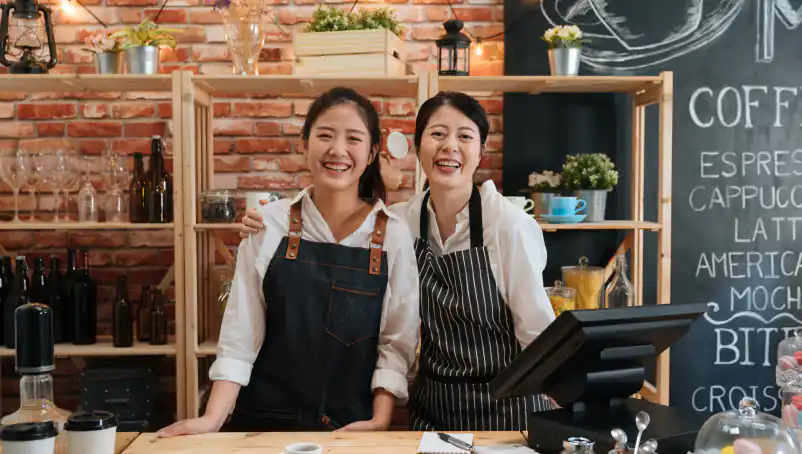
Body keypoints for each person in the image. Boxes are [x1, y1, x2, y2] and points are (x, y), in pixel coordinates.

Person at [238, 91, 556, 431]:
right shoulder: (402, 222)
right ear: (418, 148)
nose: (450, 146)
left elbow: (536, 330)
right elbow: (336, 221)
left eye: (464, 136)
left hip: (507, 410)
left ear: (480, 153)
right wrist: (266, 223)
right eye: (437, 134)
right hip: (436, 408)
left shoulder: (509, 226)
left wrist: (571, 404)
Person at [158, 87, 420, 436]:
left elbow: (396, 341)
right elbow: (241, 331)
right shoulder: (269, 224)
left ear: (372, 153)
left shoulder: (393, 235)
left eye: (353, 139)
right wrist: (212, 419)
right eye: (325, 135)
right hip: (263, 425)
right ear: (304, 144)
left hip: (350, 428)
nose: (337, 150)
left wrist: (380, 420)